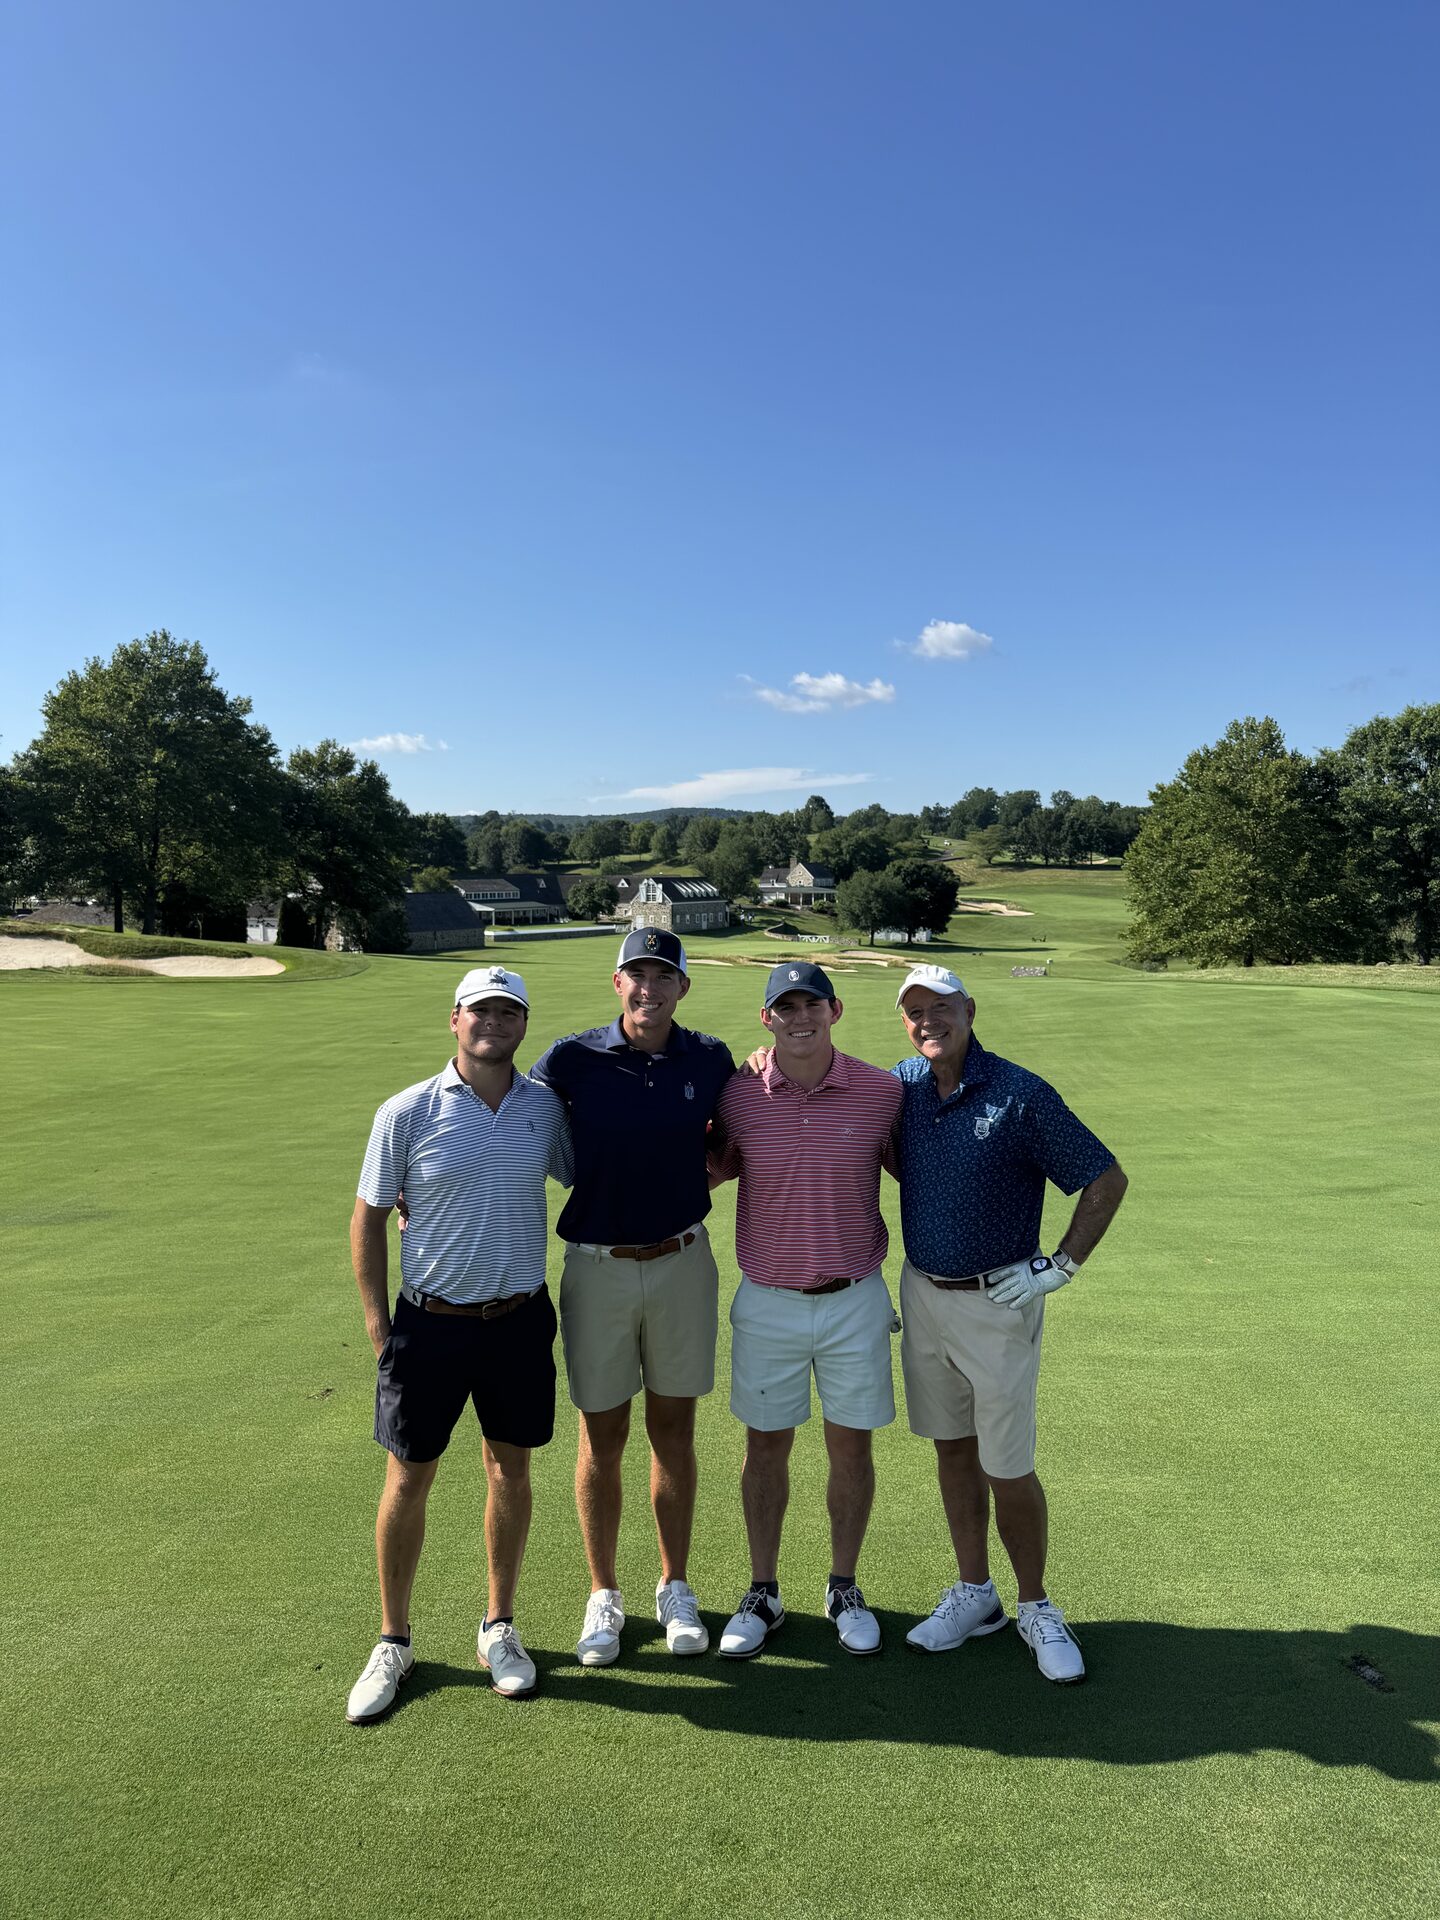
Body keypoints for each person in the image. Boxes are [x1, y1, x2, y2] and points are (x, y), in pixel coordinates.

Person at [345, 965, 572, 1722]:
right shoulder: (406, 1111)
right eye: (481, 1010)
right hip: (430, 1323)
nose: (494, 1022)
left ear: (522, 1025)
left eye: (509, 1012)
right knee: (408, 1479)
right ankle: (394, 1640)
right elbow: (370, 1216)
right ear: (455, 1019)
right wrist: (379, 1325)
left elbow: (593, 1176)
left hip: (518, 1319)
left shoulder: (545, 1109)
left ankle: (498, 1625)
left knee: (511, 1471)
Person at [891, 963, 1127, 1683]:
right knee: (951, 1451)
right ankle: (976, 1593)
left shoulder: (1020, 1094)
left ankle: (1035, 1605)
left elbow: (1104, 1175)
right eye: (915, 1011)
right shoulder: (900, 1086)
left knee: (1008, 1467)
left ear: (968, 1008)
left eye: (941, 1007)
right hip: (923, 1293)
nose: (928, 1020)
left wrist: (1058, 1266)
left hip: (999, 1302)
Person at [530, 928, 735, 1667]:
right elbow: (507, 1124)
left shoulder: (708, 1058)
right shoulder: (570, 1058)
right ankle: (603, 1594)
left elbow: (738, 1134)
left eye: (663, 976)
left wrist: (704, 1174)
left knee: (674, 1430)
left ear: (683, 987)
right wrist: (416, 1182)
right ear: (617, 983)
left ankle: (674, 1586)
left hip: (682, 1261)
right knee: (601, 1436)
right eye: (636, 975)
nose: (649, 988)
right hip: (597, 1266)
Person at [708, 961, 904, 1659]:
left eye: (811, 1005)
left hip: (854, 1299)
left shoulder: (882, 1092)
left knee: (852, 1445)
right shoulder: (738, 1095)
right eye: (784, 1008)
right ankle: (763, 1590)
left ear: (835, 1010)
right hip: (767, 1299)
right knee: (766, 1445)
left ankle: (844, 1585)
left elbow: (925, 1169)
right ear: (766, 1019)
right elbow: (701, 1167)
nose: (800, 1018)